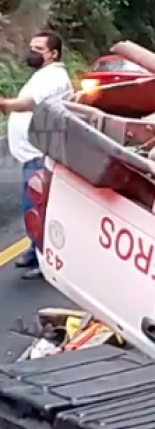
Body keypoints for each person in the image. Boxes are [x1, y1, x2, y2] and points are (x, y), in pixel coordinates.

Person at [0, 30, 73, 280]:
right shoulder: (42, 75)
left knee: (38, 209)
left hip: (41, 156)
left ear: (53, 54)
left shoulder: (55, 77)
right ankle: (34, 252)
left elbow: (31, 103)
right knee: (33, 208)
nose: (31, 52)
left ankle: (44, 261)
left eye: (38, 49)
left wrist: (4, 104)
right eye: (31, 47)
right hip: (31, 155)